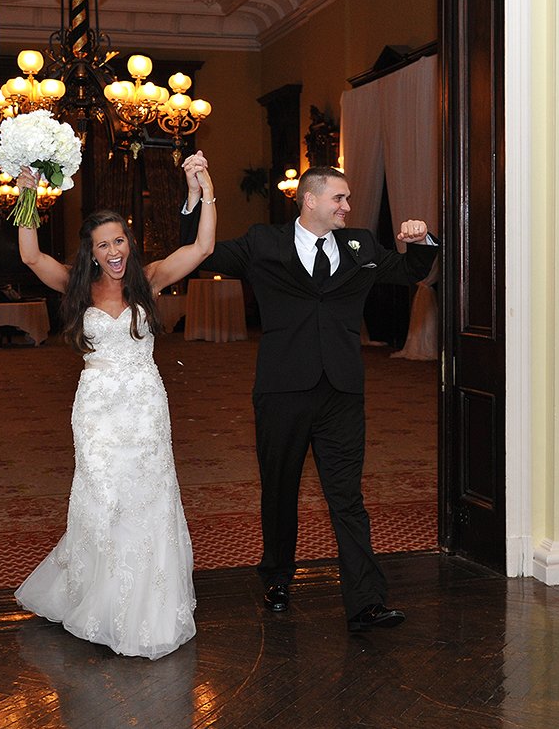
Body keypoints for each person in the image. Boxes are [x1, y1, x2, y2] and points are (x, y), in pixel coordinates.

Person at [181, 162, 438, 632]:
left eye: (346, 199)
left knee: (347, 497)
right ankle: (277, 578)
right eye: (339, 198)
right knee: (280, 491)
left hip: (341, 391)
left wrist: (420, 240)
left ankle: (366, 600)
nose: (347, 206)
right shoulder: (263, 243)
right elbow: (204, 253)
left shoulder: (360, 243)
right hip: (282, 390)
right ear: (310, 200)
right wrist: (196, 196)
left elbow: (407, 271)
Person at [13, 152, 216, 658]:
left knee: (148, 496)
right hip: (97, 407)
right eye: (103, 245)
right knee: (103, 497)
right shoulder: (76, 285)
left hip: (146, 406)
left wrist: (204, 185)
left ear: (129, 242)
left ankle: (149, 601)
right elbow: (31, 258)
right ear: (91, 252)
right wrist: (27, 194)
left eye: (119, 240)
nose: (113, 250)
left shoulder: (150, 276)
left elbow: (204, 245)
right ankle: (97, 597)